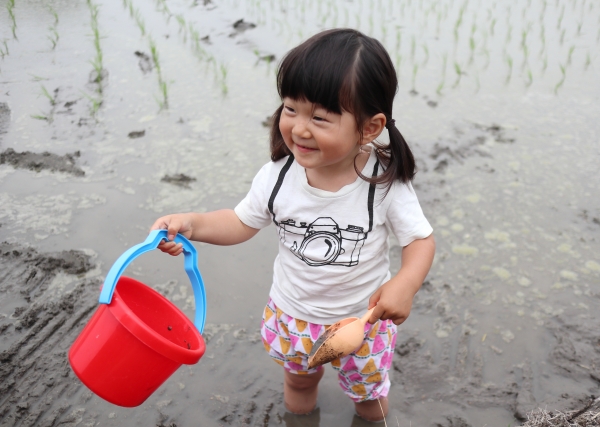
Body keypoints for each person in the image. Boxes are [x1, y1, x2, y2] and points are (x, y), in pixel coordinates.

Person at [151, 28, 435, 423]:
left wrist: (405, 284)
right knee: (299, 385)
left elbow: (420, 240)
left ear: (369, 127)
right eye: (290, 109)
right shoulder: (278, 175)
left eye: (319, 118)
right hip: (293, 315)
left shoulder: (383, 183)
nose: (300, 129)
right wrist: (191, 224)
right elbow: (240, 221)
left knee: (370, 399)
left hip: (362, 321)